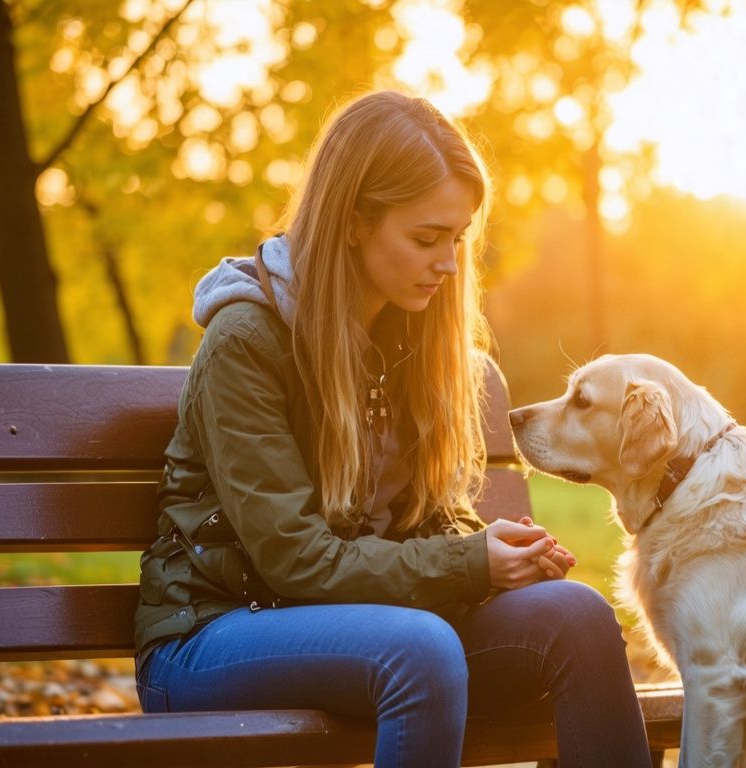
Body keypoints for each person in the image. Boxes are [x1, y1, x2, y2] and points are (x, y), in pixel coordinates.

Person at [133, 90, 653, 768]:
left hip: (380, 626)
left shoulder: (414, 338)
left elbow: (426, 521)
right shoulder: (247, 341)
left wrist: (496, 556)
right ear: (352, 221)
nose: (448, 263)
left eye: (457, 240)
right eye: (425, 238)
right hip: (215, 635)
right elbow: (293, 559)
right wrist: (470, 564)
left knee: (576, 618)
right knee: (420, 650)